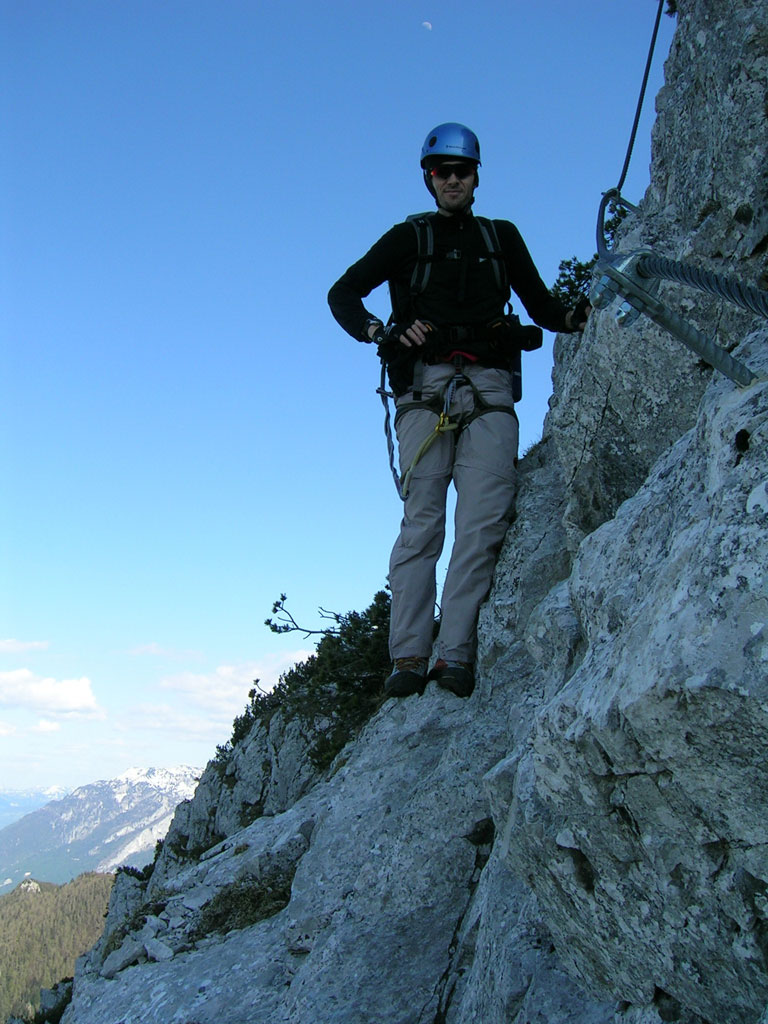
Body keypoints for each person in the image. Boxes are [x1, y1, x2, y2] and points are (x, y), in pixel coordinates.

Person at [328, 123, 589, 699]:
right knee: (423, 523)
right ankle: (410, 656)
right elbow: (343, 293)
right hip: (425, 387)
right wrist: (382, 330)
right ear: (429, 178)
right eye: (442, 171)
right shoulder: (408, 237)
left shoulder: (502, 237)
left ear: (476, 177)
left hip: (489, 387)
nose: (452, 179)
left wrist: (577, 316)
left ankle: (455, 656)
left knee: (482, 522)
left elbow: (542, 305)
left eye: (462, 171)